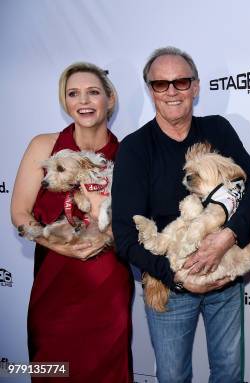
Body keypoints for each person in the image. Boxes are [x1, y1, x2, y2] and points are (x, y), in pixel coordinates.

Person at [112, 47, 250, 383]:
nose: (171, 91)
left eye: (181, 82)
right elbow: (124, 235)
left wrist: (227, 237)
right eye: (161, 84)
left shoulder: (218, 130)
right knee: (172, 376)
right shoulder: (135, 148)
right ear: (150, 90)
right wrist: (177, 276)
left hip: (225, 275)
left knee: (230, 373)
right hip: (169, 284)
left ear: (195, 87)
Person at [11, 62, 133, 382]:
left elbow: (133, 226)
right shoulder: (44, 146)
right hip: (54, 285)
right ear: (65, 102)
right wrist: (60, 247)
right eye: (73, 93)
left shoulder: (128, 154)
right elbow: (20, 213)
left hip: (108, 288)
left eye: (93, 93)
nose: (84, 101)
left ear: (110, 99)